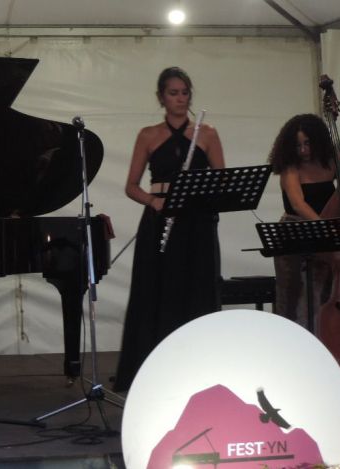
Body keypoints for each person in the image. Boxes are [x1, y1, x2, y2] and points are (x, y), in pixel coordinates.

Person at [113, 67, 225, 392]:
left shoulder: (208, 134)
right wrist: (153, 201)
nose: (179, 98)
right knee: (157, 290)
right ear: (161, 97)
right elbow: (131, 186)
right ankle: (152, 368)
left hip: (197, 221)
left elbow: (222, 179)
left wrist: (199, 192)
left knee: (196, 290)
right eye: (173, 93)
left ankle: (198, 369)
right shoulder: (148, 135)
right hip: (160, 219)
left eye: (184, 92)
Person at [267, 114, 340, 328]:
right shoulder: (291, 168)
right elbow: (298, 205)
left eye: (308, 143)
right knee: (295, 299)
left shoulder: (330, 163)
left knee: (326, 294)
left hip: (326, 235)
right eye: (298, 145)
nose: (304, 150)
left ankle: (328, 342)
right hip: (296, 234)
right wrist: (326, 228)